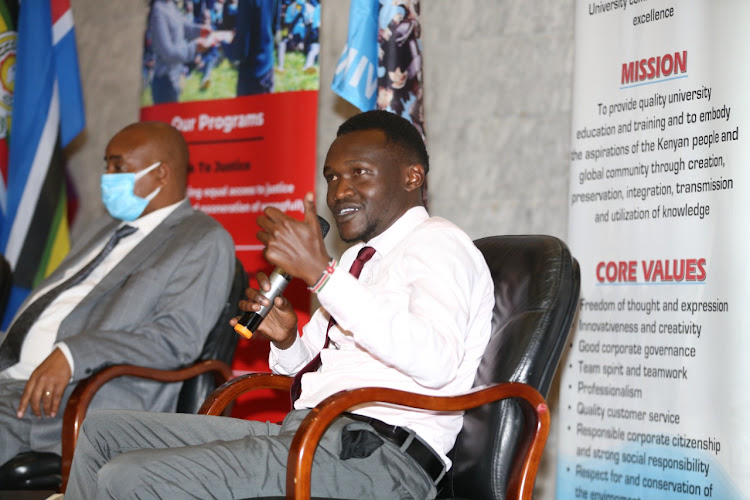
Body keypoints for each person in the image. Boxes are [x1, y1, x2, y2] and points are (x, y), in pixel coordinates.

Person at [65, 110, 494, 500]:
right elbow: (306, 367)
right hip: (307, 434)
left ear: (412, 177)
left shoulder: (440, 244)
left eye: (358, 173)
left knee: (128, 477)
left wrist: (323, 277)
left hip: (379, 459)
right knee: (102, 432)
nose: (339, 190)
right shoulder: (355, 261)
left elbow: (436, 363)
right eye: (330, 177)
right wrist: (288, 338)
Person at [0, 121, 235, 467]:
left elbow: (176, 340)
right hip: (16, 376)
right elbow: (61, 304)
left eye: (119, 167)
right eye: (106, 165)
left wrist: (74, 353)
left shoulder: (202, 239)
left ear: (161, 175)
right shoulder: (104, 227)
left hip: (79, 395)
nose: (107, 176)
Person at [148, 0, 213, 103]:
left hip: (175, 77)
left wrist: (200, 30)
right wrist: (194, 47)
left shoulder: (170, 5)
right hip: (165, 82)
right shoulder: (158, 12)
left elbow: (182, 25)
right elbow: (168, 53)